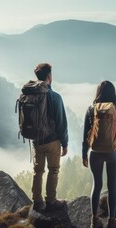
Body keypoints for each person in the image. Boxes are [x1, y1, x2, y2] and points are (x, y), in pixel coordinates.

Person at [82, 80, 116, 228]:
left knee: (97, 185)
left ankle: (94, 220)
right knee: (112, 186)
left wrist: (84, 154)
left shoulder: (91, 109)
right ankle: (111, 220)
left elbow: (85, 135)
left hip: (95, 152)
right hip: (113, 152)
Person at [30, 63, 69, 212]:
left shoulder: (31, 94)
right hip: (52, 140)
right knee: (53, 170)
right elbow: (61, 122)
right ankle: (51, 201)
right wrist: (64, 143)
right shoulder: (54, 96)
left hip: (36, 140)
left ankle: (37, 201)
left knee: (38, 171)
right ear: (49, 77)